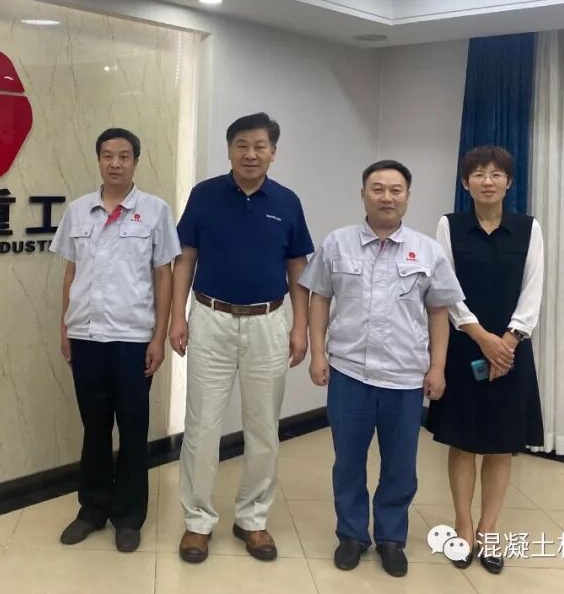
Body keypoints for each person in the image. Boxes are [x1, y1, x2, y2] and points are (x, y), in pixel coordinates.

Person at [300, 160, 464, 578]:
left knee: (401, 465)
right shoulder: (337, 243)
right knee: (348, 461)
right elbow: (319, 298)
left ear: (407, 196)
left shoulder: (427, 251)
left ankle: (392, 538)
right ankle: (351, 535)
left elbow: (439, 312)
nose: (386, 197)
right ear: (363, 195)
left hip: (405, 377)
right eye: (377, 189)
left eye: (395, 190)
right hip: (349, 373)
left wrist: (438, 368)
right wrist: (318, 354)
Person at [169, 112, 313, 564]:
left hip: (268, 323)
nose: (251, 154)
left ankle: (252, 518)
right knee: (201, 427)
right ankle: (197, 522)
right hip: (210, 318)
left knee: (264, 428)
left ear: (273, 152)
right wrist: (177, 317)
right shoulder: (205, 195)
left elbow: (298, 269)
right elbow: (185, 257)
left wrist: (300, 326)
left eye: (260, 146)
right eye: (242, 145)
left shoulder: (287, 202)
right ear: (229, 149)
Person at [50, 127, 181, 552]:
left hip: (132, 338)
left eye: (124, 156)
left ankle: (128, 516)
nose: (115, 163)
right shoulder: (78, 211)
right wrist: (65, 327)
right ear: (99, 160)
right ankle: (91, 509)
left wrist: (158, 336)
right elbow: (71, 271)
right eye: (108, 155)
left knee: (133, 427)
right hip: (86, 335)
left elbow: (164, 275)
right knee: (94, 427)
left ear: (135, 162)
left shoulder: (155, 211)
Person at [424, 145, 545, 575]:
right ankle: (463, 527)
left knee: (500, 445)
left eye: (496, 174)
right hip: (464, 345)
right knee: (462, 441)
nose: (487, 181)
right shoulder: (449, 226)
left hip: (511, 350)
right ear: (465, 183)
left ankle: (489, 530)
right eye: (478, 174)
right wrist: (480, 336)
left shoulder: (528, 228)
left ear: (509, 182)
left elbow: (533, 289)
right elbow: (445, 288)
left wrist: (508, 342)